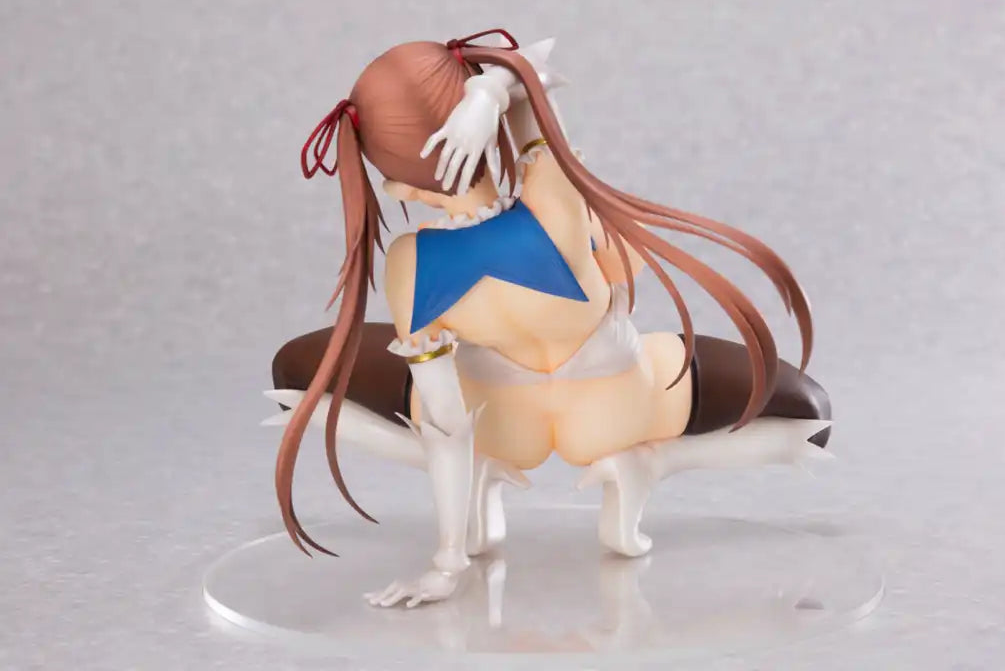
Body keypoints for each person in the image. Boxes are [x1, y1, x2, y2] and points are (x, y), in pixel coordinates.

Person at [267, 30, 831, 609]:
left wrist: (446, 564)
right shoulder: (553, 201)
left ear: (397, 186)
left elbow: (446, 426)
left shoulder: (409, 265)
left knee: (311, 386)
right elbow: (533, 69)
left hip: (502, 432)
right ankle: (651, 462)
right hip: (618, 412)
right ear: (484, 132)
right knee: (808, 417)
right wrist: (490, 94)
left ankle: (479, 490)